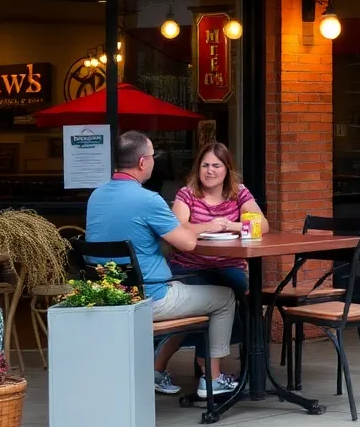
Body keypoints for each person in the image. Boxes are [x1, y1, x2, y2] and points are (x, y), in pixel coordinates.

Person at [85, 131, 238, 398]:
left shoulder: (96, 197)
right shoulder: (148, 199)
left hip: (110, 296)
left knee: (192, 289)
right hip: (150, 299)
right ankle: (212, 381)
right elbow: (187, 244)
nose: (155, 161)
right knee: (225, 297)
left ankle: (159, 369)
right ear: (143, 162)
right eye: (154, 155)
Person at [151, 142, 266, 393]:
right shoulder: (187, 194)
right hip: (190, 266)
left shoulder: (239, 192)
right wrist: (207, 226)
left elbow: (262, 224)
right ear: (198, 168)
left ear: (227, 169)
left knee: (244, 298)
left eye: (216, 165)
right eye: (205, 165)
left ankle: (221, 368)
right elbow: (178, 229)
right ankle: (199, 371)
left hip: (229, 265)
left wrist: (228, 225)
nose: (210, 170)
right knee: (197, 311)